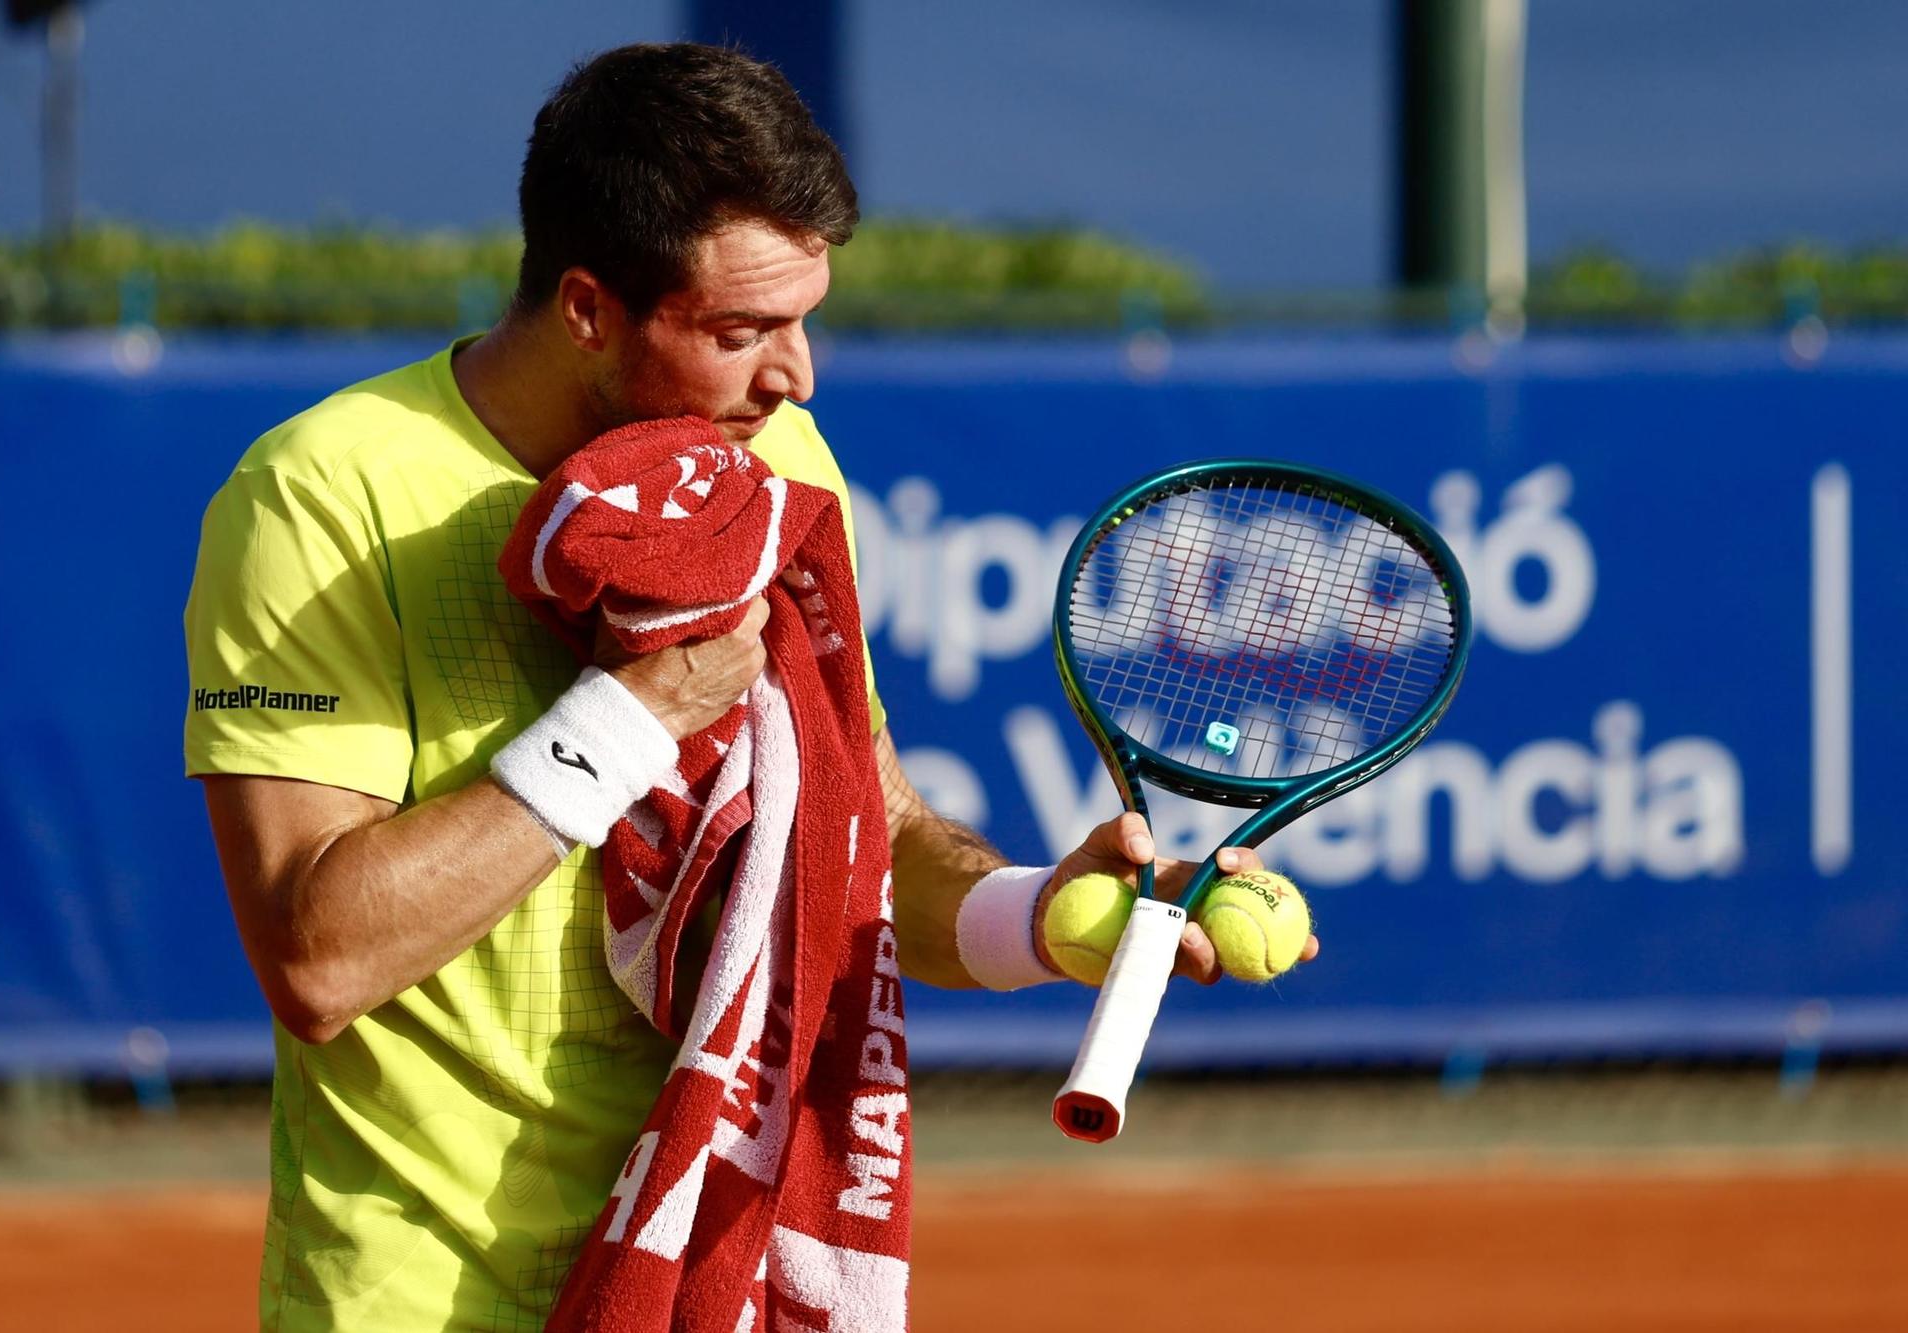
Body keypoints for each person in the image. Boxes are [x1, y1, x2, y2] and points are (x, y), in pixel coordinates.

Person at [184, 41, 1314, 1331]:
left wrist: (1040, 919)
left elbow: (865, 837)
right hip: (418, 1304)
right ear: (587, 310)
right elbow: (318, 959)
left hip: (716, 1290)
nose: (796, 378)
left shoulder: (778, 467)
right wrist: (624, 720)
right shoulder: (323, 495)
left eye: (805, 321)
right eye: (740, 333)